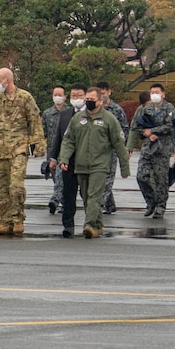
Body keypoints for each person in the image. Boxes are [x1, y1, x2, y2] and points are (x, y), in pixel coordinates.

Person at [0, 66, 45, 236]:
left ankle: (18, 219)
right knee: (0, 188)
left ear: (8, 80)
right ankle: (4, 220)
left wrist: (38, 144)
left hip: (18, 148)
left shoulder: (25, 97)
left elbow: (35, 121)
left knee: (15, 186)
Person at [56, 87, 129, 238]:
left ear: (100, 101)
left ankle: (88, 224)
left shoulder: (109, 119)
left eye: (91, 100)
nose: (88, 102)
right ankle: (98, 225)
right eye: (87, 100)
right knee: (87, 197)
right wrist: (63, 158)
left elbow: (118, 143)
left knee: (94, 196)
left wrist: (124, 167)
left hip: (99, 166)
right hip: (81, 165)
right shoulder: (77, 119)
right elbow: (68, 140)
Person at [130, 83, 175, 218]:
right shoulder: (147, 108)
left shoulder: (169, 108)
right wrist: (147, 133)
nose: (155, 95)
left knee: (161, 179)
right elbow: (137, 126)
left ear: (163, 94)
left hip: (162, 149)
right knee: (141, 176)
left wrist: (154, 130)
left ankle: (160, 206)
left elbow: (170, 126)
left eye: (157, 92)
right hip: (147, 147)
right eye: (152, 92)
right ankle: (151, 201)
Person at [41, 86, 77, 218]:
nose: (57, 97)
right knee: (56, 178)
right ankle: (63, 202)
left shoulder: (70, 112)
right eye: (55, 94)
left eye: (60, 94)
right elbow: (42, 132)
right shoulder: (47, 113)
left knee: (62, 178)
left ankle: (55, 201)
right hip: (52, 150)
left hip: (66, 151)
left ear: (65, 96)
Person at [95, 81, 129, 215]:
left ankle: (100, 204)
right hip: (96, 150)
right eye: (99, 93)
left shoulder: (117, 110)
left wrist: (119, 144)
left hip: (111, 150)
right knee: (99, 178)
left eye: (103, 93)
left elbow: (125, 128)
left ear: (109, 92)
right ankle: (110, 204)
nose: (102, 96)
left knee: (108, 179)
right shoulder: (94, 109)